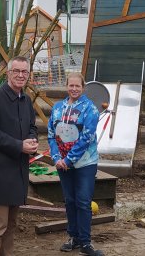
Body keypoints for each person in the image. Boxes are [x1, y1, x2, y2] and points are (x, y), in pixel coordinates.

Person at [0, 56, 39, 256]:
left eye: (25, 72)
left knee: (11, 224)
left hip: (18, 171)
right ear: (8, 73)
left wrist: (31, 140)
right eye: (17, 71)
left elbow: (32, 126)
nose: (21, 75)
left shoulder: (26, 100)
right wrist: (18, 145)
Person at [47, 72, 103, 256]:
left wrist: (69, 160)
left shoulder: (90, 109)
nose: (74, 89)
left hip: (85, 163)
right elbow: (51, 134)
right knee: (70, 201)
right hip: (62, 164)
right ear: (66, 86)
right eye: (71, 85)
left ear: (83, 87)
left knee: (83, 201)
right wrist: (56, 158)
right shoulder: (57, 108)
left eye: (77, 86)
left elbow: (87, 137)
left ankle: (86, 242)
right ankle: (73, 237)